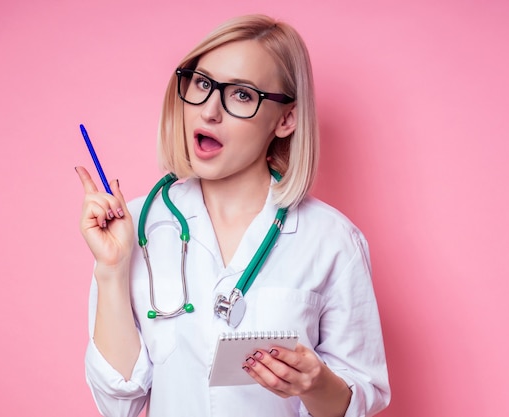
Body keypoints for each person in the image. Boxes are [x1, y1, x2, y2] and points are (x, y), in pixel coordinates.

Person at [76, 14, 390, 417]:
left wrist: (317, 384)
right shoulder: (132, 227)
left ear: (286, 119)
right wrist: (112, 270)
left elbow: (361, 395)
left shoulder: (331, 239)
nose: (208, 112)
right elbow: (118, 406)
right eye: (203, 84)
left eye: (242, 95)